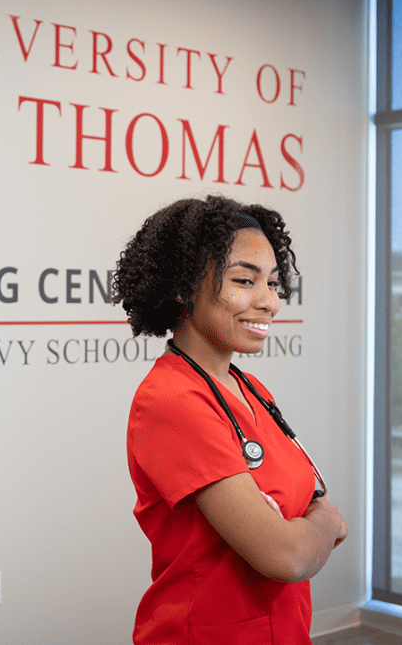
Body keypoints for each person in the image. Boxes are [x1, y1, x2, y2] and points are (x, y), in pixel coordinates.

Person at [112, 195, 348, 645]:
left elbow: (305, 502)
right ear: (183, 287)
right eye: (244, 280)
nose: (270, 302)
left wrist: (309, 523)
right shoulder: (172, 401)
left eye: (274, 284)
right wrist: (327, 523)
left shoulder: (251, 390)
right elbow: (285, 555)